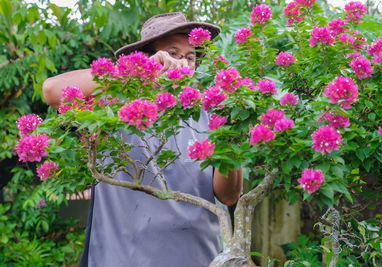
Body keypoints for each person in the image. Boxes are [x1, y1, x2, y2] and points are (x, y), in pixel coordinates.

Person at [42, 12, 243, 267]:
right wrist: (136, 71)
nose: (182, 62)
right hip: (122, 258)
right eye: (173, 52)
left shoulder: (210, 116)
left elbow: (228, 196)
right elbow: (51, 91)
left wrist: (232, 140)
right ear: (149, 55)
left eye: (190, 57)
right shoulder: (112, 107)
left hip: (198, 257)